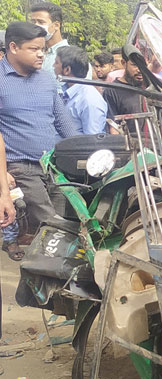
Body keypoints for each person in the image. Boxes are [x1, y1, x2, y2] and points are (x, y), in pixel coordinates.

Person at [0, 22, 78, 238]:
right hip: (20, 168)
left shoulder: (46, 79)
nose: (41, 54)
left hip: (53, 166)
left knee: (65, 220)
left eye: (43, 49)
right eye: (34, 49)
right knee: (53, 225)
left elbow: (64, 123)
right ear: (13, 47)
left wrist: (84, 152)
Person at [55, 46, 108, 134]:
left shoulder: (89, 99)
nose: (53, 66)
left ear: (67, 70)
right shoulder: (67, 92)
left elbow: (92, 138)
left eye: (56, 63)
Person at [102, 45, 145, 134]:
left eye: (143, 65)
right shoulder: (112, 91)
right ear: (124, 63)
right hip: (129, 141)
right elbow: (113, 129)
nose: (139, 70)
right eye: (135, 65)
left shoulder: (151, 88)